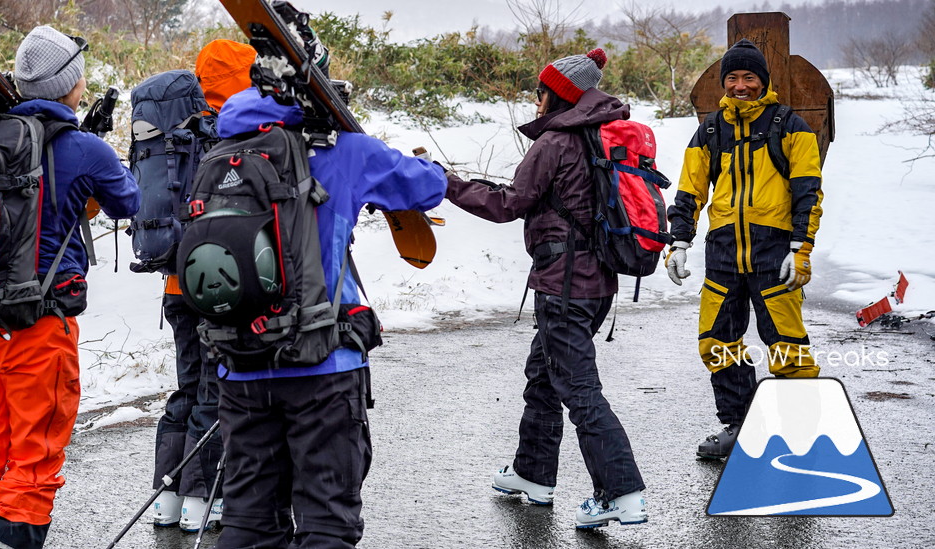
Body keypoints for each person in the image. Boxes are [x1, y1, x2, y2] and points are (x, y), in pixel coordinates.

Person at [0, 26, 141, 549]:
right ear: (72, 85)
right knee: (34, 455)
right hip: (37, 328)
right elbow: (129, 203)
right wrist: (96, 151)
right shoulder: (85, 149)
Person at [212, 84, 447, 549]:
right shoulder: (349, 153)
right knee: (327, 522)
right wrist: (434, 167)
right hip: (324, 362)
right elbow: (427, 187)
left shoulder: (220, 154)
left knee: (249, 521)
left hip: (240, 361)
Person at [443, 49, 648, 529]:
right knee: (543, 375)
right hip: (598, 284)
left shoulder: (555, 142)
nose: (536, 101)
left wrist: (447, 184)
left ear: (558, 94)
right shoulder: (599, 135)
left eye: (541, 91)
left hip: (563, 286)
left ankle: (622, 491)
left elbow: (509, 203)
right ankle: (533, 475)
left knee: (579, 390)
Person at [664, 38, 823, 459]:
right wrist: (679, 241)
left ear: (763, 80)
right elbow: (690, 190)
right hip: (723, 253)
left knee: (787, 344)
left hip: (775, 253)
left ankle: (801, 435)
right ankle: (742, 426)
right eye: (732, 77)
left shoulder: (791, 126)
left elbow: (808, 192)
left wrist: (800, 248)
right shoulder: (712, 129)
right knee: (716, 343)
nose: (739, 85)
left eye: (748, 77)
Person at [150, 38, 256, 532]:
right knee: (216, 391)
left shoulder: (176, 133)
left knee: (186, 389)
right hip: (217, 287)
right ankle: (201, 498)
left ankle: (166, 498)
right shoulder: (233, 135)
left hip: (175, 286)